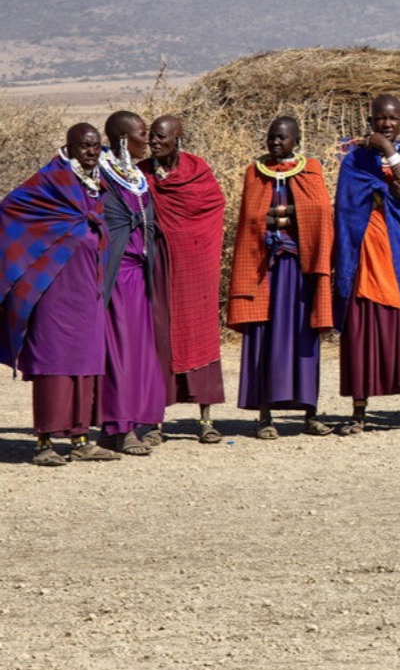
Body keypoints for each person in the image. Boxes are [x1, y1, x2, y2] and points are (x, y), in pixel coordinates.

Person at [0, 124, 119, 466]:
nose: (91, 151)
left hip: (87, 286)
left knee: (85, 361)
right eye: (84, 146)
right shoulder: (50, 180)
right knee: (52, 361)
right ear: (69, 146)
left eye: (96, 146)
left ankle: (81, 439)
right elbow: (11, 209)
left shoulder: (98, 182)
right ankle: (44, 442)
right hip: (53, 285)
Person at [333, 95, 400, 434]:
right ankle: (359, 413)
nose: (387, 124)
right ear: (372, 119)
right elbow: (347, 208)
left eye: (393, 118)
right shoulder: (355, 161)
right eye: (381, 119)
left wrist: (386, 149)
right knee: (364, 331)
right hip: (365, 255)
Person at [228, 116, 335, 438]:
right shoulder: (254, 173)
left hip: (300, 270)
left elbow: (320, 214)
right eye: (272, 137)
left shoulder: (311, 170)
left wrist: (284, 215)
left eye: (283, 138)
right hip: (265, 269)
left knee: (304, 338)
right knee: (264, 336)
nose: (276, 143)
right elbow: (250, 218)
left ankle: (310, 413)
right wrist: (271, 218)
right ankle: (264, 416)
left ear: (296, 140)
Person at [141, 115, 227, 444]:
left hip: (195, 265)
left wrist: (194, 245)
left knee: (200, 332)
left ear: (177, 138)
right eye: (152, 137)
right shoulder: (142, 173)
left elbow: (212, 207)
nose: (155, 142)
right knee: (159, 337)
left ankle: (206, 419)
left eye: (162, 137)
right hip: (158, 264)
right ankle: (154, 422)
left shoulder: (197, 171)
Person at [96, 111, 168, 456]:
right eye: (142, 133)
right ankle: (119, 427)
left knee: (139, 352)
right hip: (117, 277)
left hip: (139, 275)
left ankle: (130, 425)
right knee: (119, 353)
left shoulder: (134, 175)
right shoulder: (100, 174)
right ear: (124, 139)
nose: (148, 139)